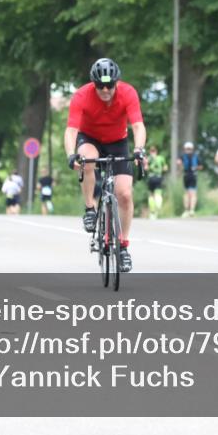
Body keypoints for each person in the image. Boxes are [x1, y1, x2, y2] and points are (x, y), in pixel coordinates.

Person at [65, 57, 147, 273]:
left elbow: (138, 125)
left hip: (118, 141)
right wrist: (70, 154)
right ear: (94, 84)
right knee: (87, 160)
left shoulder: (128, 93)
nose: (105, 90)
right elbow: (71, 130)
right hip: (89, 138)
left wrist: (139, 149)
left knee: (125, 194)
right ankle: (90, 208)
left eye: (109, 85)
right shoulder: (82, 96)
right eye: (100, 86)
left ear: (116, 83)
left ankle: (122, 246)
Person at [178, 142, 201, 217]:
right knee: (192, 193)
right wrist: (196, 168)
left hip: (186, 175)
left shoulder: (182, 156)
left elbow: (178, 163)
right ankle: (191, 210)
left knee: (187, 194)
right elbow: (200, 166)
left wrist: (180, 168)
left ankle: (187, 210)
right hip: (193, 175)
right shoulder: (196, 156)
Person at [145, 145, 168, 218]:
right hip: (158, 177)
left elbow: (145, 168)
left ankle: (152, 212)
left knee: (151, 194)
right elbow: (165, 168)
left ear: (150, 152)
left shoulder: (148, 158)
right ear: (156, 152)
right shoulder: (161, 158)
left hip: (151, 178)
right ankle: (158, 207)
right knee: (158, 193)